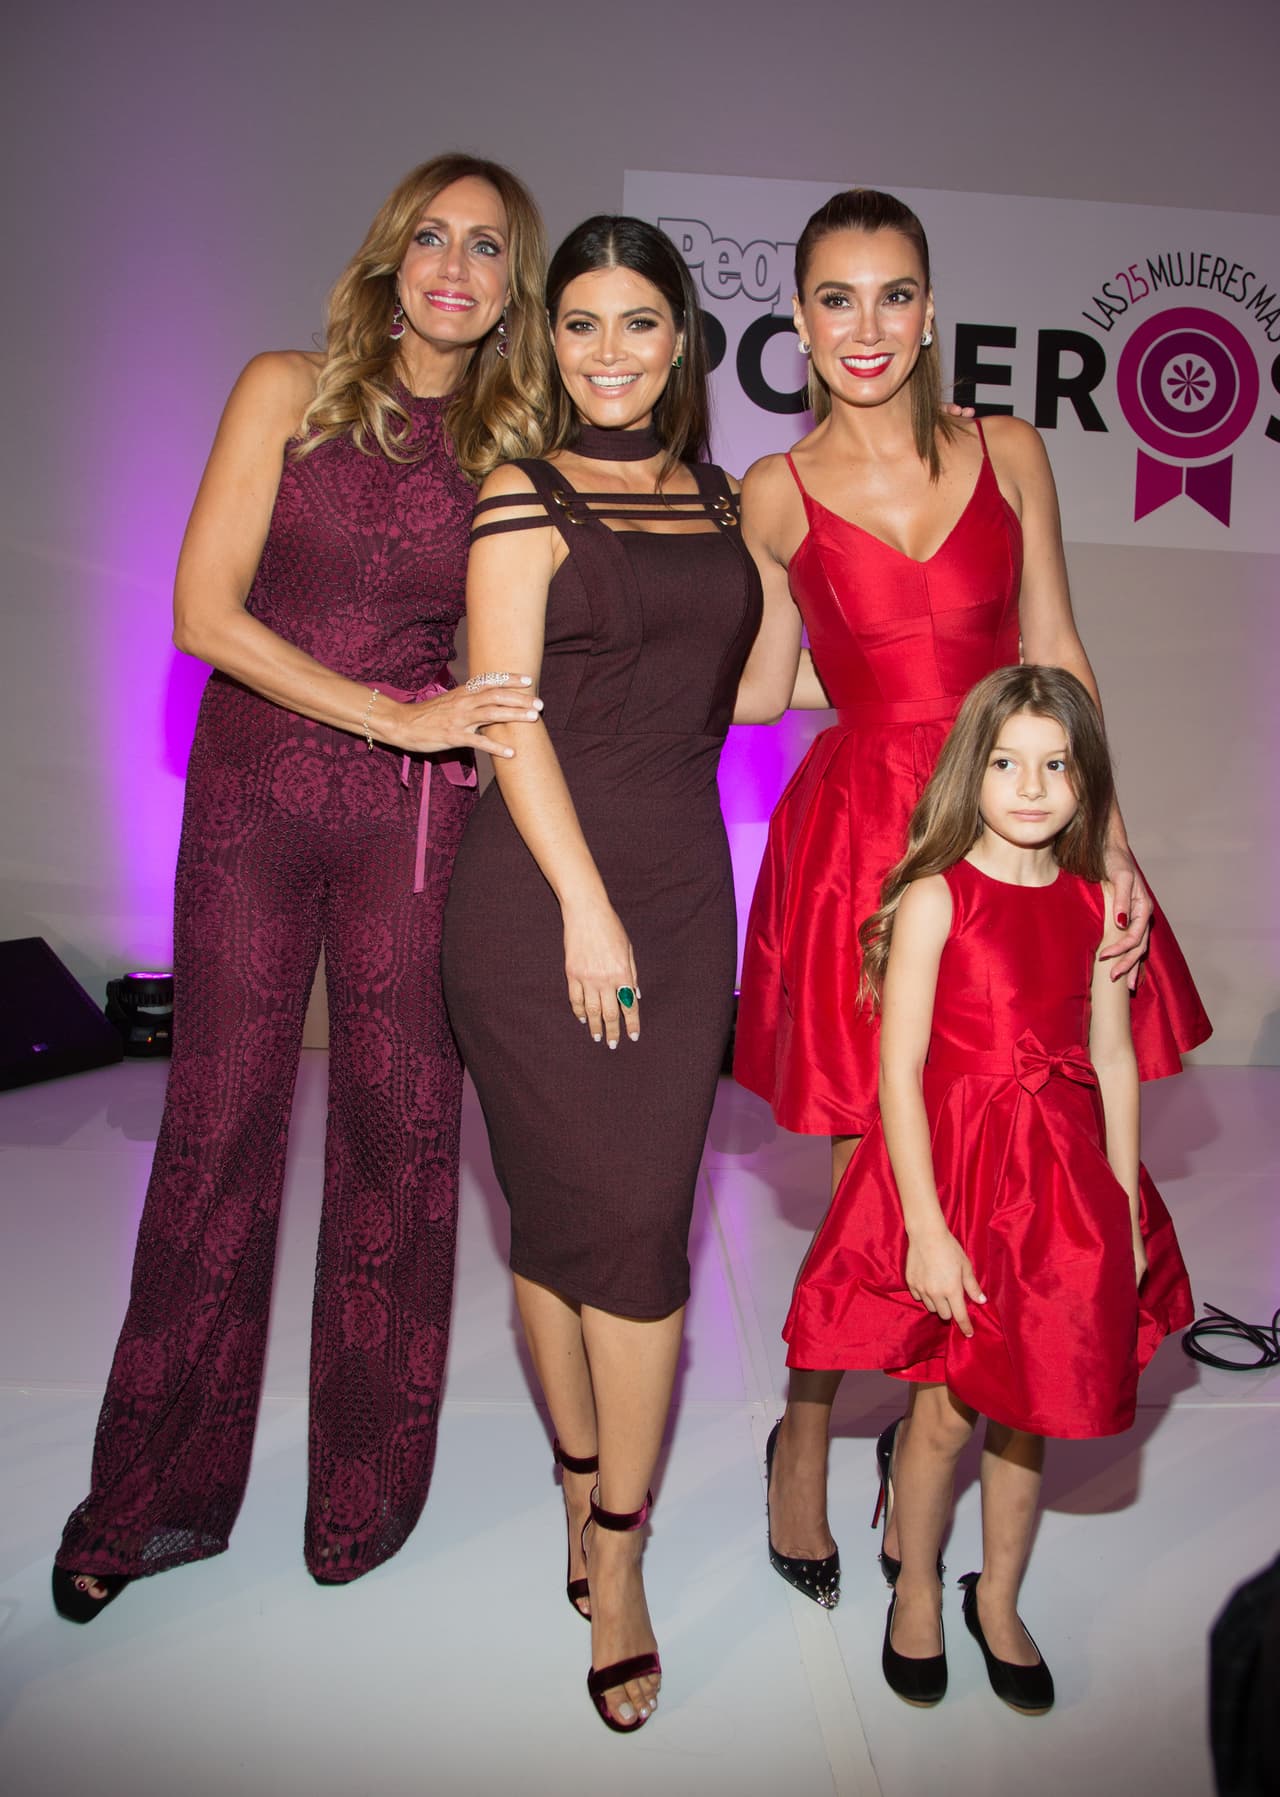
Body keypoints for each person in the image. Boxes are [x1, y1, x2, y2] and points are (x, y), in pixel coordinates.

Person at [52, 154, 549, 1619]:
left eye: (488, 247)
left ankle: (365, 1492)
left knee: (404, 1138)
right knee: (215, 1134)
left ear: (515, 284)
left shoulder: (515, 448)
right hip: (257, 801)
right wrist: (394, 712)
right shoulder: (286, 387)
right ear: (392, 253)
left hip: (416, 826)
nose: (456, 265)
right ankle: (142, 1503)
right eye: (433, 237)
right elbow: (205, 612)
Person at [731, 188, 1210, 1605]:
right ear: (800, 323)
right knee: (874, 1181)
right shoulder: (773, 488)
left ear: (931, 311)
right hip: (868, 842)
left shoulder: (1011, 447)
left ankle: (931, 1449)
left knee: (1031, 1148)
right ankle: (804, 1444)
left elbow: (1055, 643)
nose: (864, 326)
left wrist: (1110, 843)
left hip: (1023, 826)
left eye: (892, 295)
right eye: (835, 298)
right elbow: (764, 684)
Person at [441, 216, 776, 1733]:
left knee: (638, 1231)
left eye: (641, 323)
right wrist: (581, 906)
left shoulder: (719, 503)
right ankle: (584, 1480)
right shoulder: (523, 493)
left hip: (686, 897)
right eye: (581, 324)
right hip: (538, 894)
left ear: (684, 339)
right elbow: (506, 717)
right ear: (550, 341)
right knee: (560, 1217)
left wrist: (927, 644)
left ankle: (619, 1547)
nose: (611, 352)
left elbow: (758, 690)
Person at [785, 664, 1193, 1708]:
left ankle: (996, 1596)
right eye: (1008, 762)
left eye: (1055, 765)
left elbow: (1108, 1060)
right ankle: (914, 1586)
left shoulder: (1096, 905)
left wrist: (1122, 1215)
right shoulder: (932, 898)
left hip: (1057, 1187)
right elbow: (898, 1072)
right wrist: (924, 1228)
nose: (1030, 785)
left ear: (1081, 782)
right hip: (960, 1177)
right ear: (971, 771)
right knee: (940, 1412)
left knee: (1031, 1413)